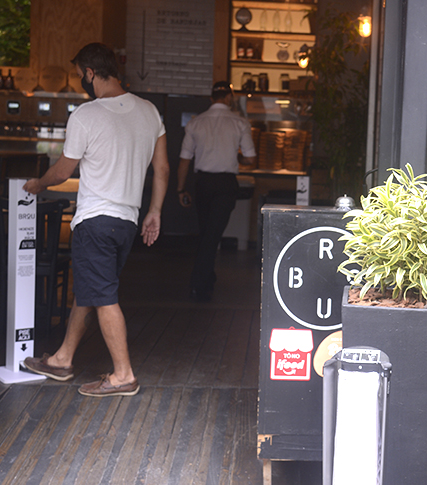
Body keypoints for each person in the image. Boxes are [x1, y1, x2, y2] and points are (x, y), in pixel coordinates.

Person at [21, 43, 169, 397]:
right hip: (127, 223)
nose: (80, 82)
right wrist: (155, 210)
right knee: (90, 291)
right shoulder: (150, 112)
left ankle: (123, 375)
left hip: (95, 222)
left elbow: (63, 171)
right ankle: (62, 358)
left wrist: (39, 183)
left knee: (102, 296)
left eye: (79, 76)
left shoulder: (86, 115)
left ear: (90, 73)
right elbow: (161, 167)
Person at [177, 81, 256, 302]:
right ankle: (198, 283)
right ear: (229, 98)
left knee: (207, 233)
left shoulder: (195, 124)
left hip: (202, 183)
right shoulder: (240, 123)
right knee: (212, 235)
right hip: (225, 184)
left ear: (212, 98)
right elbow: (250, 158)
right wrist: (236, 157)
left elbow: (184, 160)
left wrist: (180, 188)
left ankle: (206, 278)